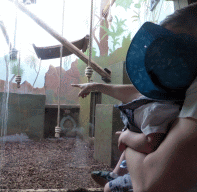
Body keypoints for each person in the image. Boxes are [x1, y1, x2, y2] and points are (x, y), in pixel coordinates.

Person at [72, 2, 197, 192]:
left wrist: (126, 138)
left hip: (152, 169)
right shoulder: (181, 88)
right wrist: (96, 85)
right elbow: (138, 93)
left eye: (175, 46)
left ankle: (115, 176)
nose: (169, 59)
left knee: (109, 189)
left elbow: (150, 185)